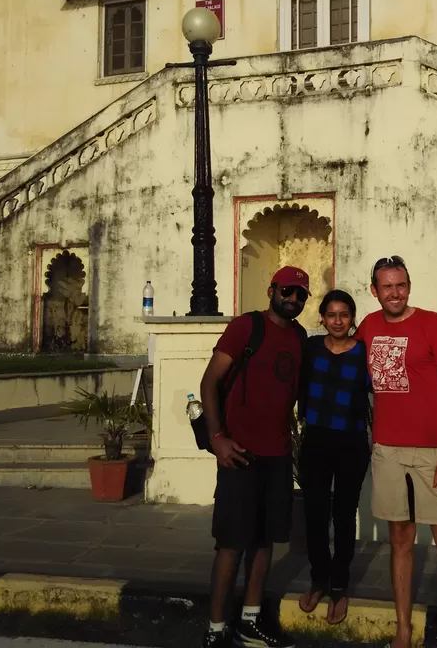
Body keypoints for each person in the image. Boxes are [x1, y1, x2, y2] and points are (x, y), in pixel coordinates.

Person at [354, 256, 437, 648]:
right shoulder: (368, 327)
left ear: (409, 285)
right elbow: (344, 361)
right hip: (387, 450)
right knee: (401, 541)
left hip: (431, 452)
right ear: (374, 290)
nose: (395, 293)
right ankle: (403, 631)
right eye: (386, 286)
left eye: (400, 285)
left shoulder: (431, 323)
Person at [198, 266, 310, 648]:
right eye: (287, 290)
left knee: (264, 542)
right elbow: (209, 381)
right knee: (231, 543)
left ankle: (249, 620)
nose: (293, 298)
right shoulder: (247, 327)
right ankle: (215, 628)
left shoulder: (299, 336)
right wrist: (217, 438)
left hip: (277, 454)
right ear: (272, 289)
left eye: (300, 294)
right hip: (240, 453)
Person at [296, 289, 372, 625]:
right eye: (331, 315)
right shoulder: (311, 348)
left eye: (344, 314)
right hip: (316, 440)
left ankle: (339, 587)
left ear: (352, 318)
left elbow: (378, 394)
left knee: (343, 516)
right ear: (323, 318)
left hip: (352, 443)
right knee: (315, 514)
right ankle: (318, 579)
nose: (338, 321)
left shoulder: (363, 352)